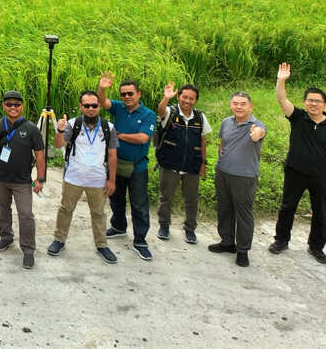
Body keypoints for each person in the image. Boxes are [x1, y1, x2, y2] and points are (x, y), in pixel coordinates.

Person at [268, 63, 326, 265]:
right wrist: (281, 80)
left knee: (320, 211)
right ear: (305, 102)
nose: (313, 104)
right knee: (288, 206)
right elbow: (281, 99)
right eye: (310, 100)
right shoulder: (298, 117)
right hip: (295, 170)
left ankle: (316, 247)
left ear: (324, 104)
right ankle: (281, 240)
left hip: (321, 175)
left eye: (318, 101)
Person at [47, 91, 119, 264]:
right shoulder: (73, 124)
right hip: (74, 177)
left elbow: (112, 154)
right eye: (86, 105)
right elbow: (58, 145)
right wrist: (60, 131)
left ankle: (102, 245)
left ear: (99, 106)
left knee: (99, 213)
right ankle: (59, 240)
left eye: (94, 105)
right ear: (81, 107)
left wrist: (112, 180)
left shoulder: (109, 127)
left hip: (98, 179)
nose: (91, 109)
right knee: (65, 209)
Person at [0, 90, 47, 269]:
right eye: (9, 104)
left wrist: (40, 179)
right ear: (3, 106)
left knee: (25, 214)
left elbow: (40, 155)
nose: (13, 108)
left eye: (16, 105)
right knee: (3, 210)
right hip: (0, 178)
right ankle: (6, 237)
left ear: (22, 106)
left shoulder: (31, 128)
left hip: (23, 181)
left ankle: (28, 250)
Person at [97, 73, 156, 260]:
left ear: (138, 94)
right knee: (116, 198)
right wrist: (102, 87)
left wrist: (118, 135)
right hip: (116, 164)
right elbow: (102, 102)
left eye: (130, 93)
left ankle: (140, 240)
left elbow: (143, 138)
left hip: (137, 167)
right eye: (123, 94)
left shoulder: (148, 114)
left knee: (139, 204)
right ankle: (119, 226)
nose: (127, 97)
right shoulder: (119, 108)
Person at [208, 91, 267, 266]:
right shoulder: (226, 122)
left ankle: (242, 250)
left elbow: (259, 133)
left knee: (244, 214)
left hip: (244, 176)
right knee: (224, 209)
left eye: (243, 104)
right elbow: (222, 143)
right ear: (230, 105)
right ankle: (227, 242)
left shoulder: (256, 125)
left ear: (250, 106)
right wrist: (220, 160)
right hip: (223, 172)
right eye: (235, 103)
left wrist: (257, 134)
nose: (238, 107)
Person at [154, 82, 209, 244]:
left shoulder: (200, 117)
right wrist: (166, 98)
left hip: (192, 165)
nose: (187, 101)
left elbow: (203, 140)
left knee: (192, 200)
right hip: (170, 163)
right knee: (166, 197)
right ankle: (164, 226)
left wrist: (203, 163)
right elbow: (160, 111)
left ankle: (190, 229)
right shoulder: (171, 112)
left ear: (195, 100)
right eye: (184, 97)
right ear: (179, 97)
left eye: (191, 98)